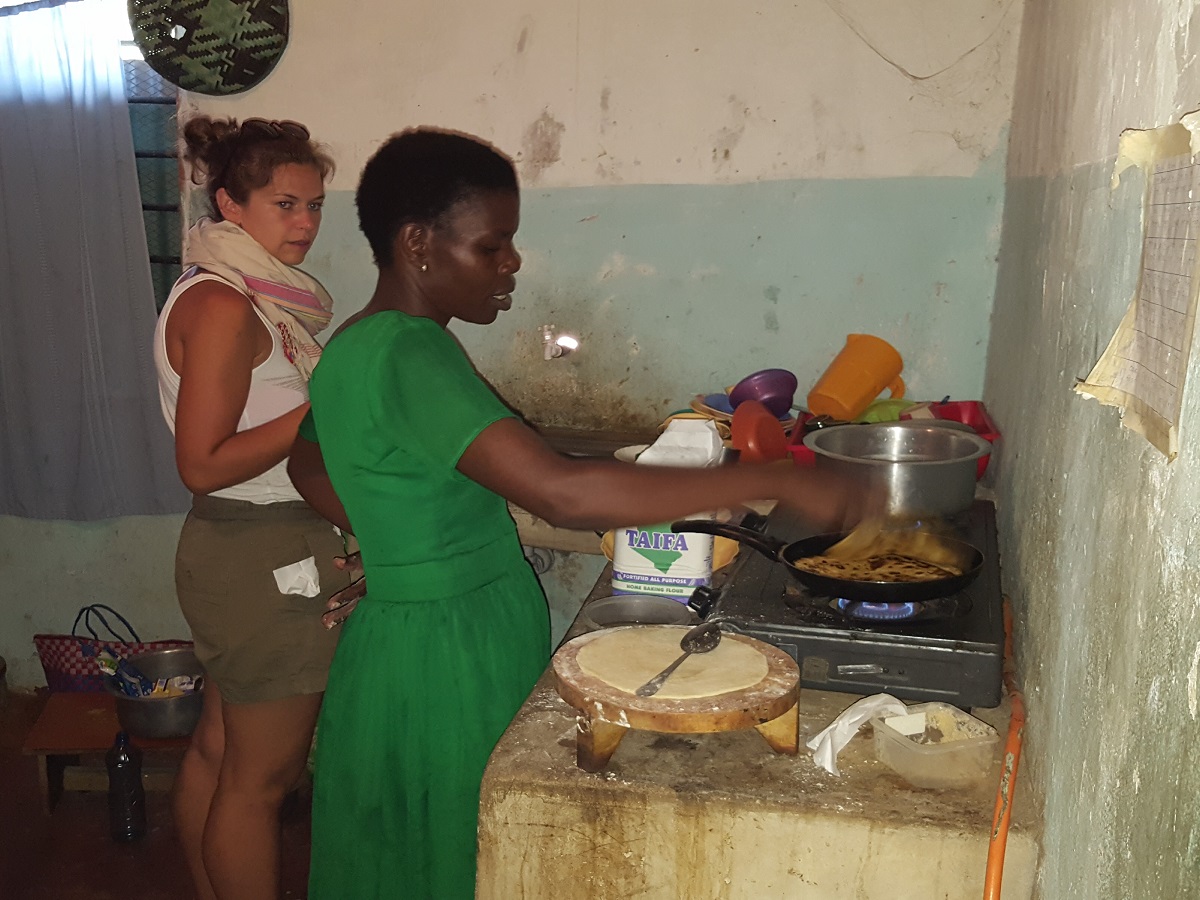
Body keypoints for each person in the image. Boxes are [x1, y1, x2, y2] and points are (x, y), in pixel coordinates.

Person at [287, 128, 869, 900]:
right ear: (419, 245)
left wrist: (397, 549)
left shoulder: (353, 346)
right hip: (450, 655)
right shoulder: (412, 352)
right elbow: (561, 492)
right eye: (494, 246)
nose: (513, 263)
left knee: (396, 854)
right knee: (456, 857)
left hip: (398, 642)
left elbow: (308, 462)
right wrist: (776, 479)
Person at [152, 114, 355, 900]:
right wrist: (318, 408)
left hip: (246, 550)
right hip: (260, 553)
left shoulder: (245, 296)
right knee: (258, 785)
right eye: (284, 204)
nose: (304, 223)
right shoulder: (225, 307)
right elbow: (200, 465)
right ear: (230, 206)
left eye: (314, 205)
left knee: (218, 753)